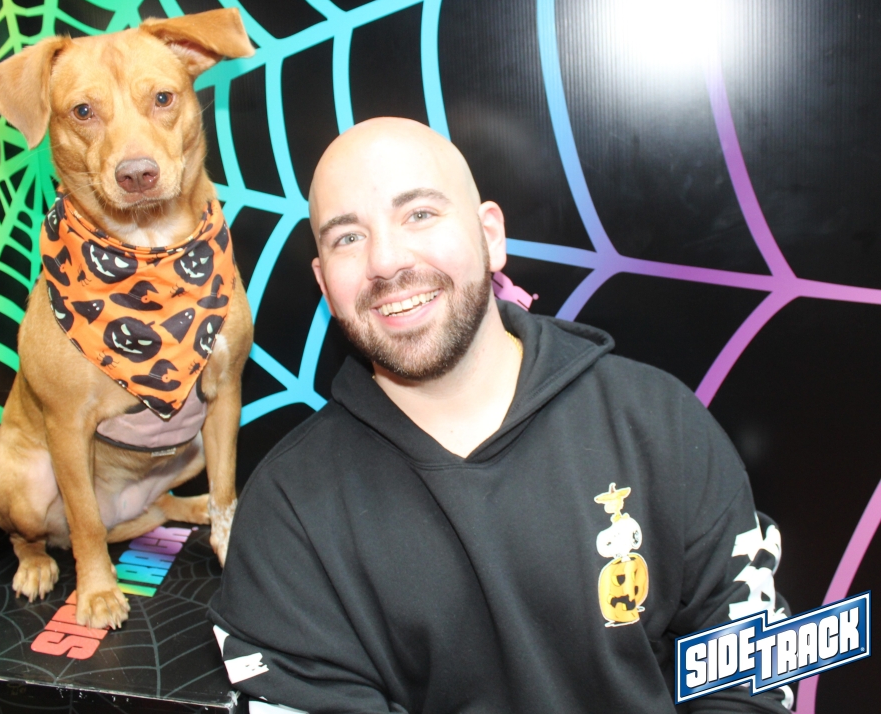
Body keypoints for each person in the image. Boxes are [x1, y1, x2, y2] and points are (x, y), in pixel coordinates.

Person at [207, 118, 792, 713]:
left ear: (491, 235)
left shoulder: (658, 424)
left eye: (419, 214)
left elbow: (750, 679)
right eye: (348, 238)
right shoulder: (287, 517)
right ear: (324, 283)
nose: (385, 260)